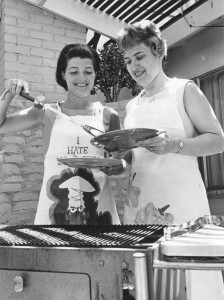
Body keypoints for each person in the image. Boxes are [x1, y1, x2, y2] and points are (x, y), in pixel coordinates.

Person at [116, 20, 224, 300]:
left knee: (191, 284)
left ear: (158, 51)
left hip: (182, 208)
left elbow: (218, 139)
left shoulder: (184, 90)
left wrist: (173, 145)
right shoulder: (132, 105)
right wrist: (118, 160)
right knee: (149, 284)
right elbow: (134, 157)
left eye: (139, 56)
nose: (134, 66)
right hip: (139, 208)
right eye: (128, 60)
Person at [0, 43, 122, 225]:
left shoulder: (108, 115)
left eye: (88, 71)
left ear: (95, 74)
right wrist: (9, 93)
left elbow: (120, 161)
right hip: (54, 211)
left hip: (98, 210)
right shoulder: (47, 112)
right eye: (74, 72)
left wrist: (118, 166)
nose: (82, 77)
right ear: (63, 74)